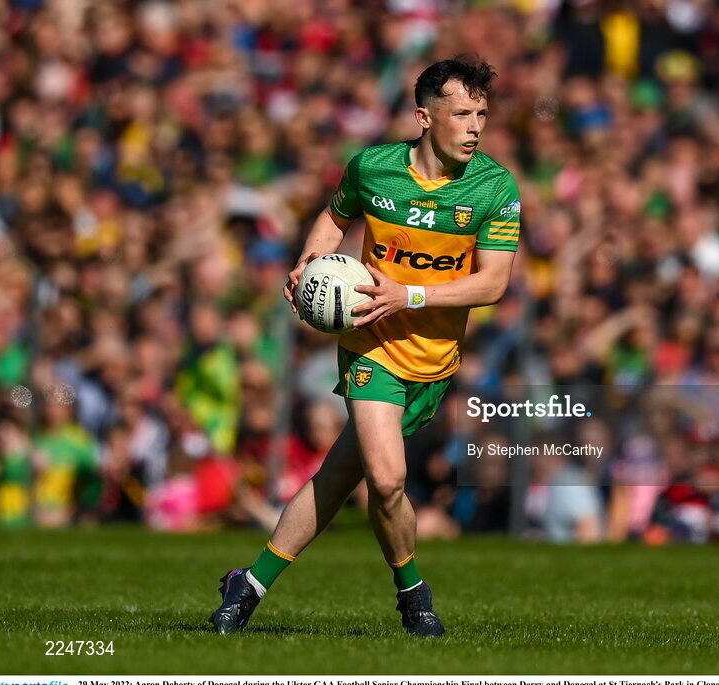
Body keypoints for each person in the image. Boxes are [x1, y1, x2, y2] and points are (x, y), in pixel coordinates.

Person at [210, 56, 520, 637]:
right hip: (370, 345)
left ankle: (245, 586)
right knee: (386, 480)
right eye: (462, 113)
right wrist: (308, 261)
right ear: (425, 117)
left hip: (434, 358)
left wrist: (412, 296)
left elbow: (494, 282)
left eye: (482, 113)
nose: (476, 125)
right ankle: (413, 595)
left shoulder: (495, 186)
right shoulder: (374, 168)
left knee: (337, 479)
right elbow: (333, 220)